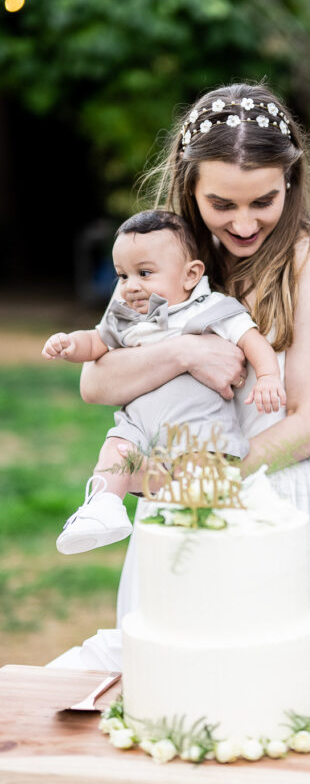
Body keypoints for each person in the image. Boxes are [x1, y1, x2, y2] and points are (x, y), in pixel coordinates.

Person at [79, 83, 310, 640]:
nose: (246, 224)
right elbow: (97, 382)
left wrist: (201, 482)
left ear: (291, 181)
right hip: (174, 490)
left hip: (272, 491)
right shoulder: (158, 261)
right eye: (222, 205)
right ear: (189, 187)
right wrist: (183, 350)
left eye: (264, 201)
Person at [43, 209, 285, 555]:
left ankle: (203, 541)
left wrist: (268, 377)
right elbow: (97, 341)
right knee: (116, 453)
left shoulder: (211, 308)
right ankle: (103, 507)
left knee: (197, 500)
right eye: (122, 276)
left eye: (144, 273)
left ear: (191, 275)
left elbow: (252, 340)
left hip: (198, 431)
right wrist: (70, 344)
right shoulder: (127, 316)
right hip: (141, 428)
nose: (130, 286)